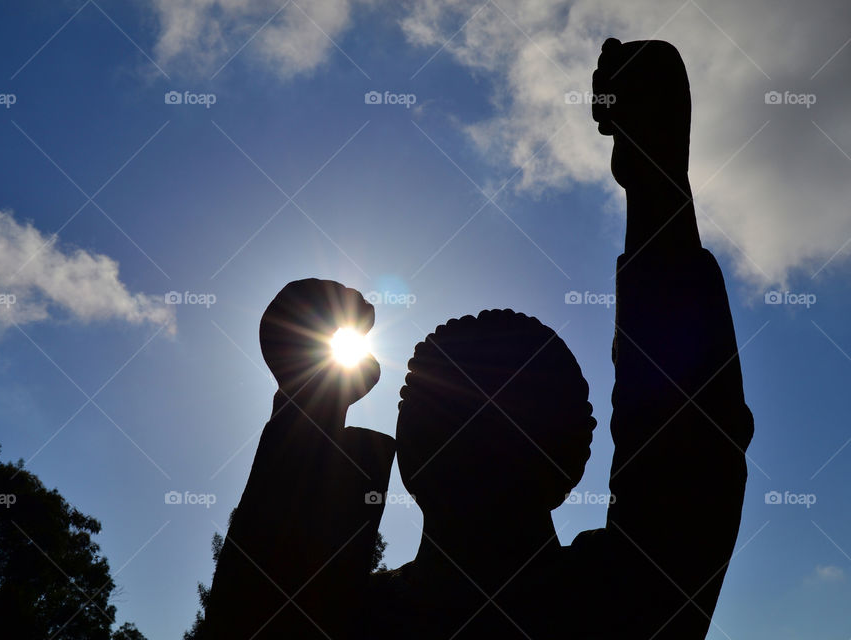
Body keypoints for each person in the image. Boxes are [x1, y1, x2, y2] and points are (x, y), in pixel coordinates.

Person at [205, 38, 754, 640]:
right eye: (449, 398)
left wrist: (307, 405)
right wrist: (655, 182)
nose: (477, 415)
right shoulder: (616, 602)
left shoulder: (614, 600)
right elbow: (685, 458)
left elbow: (685, 455)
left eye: (502, 402)